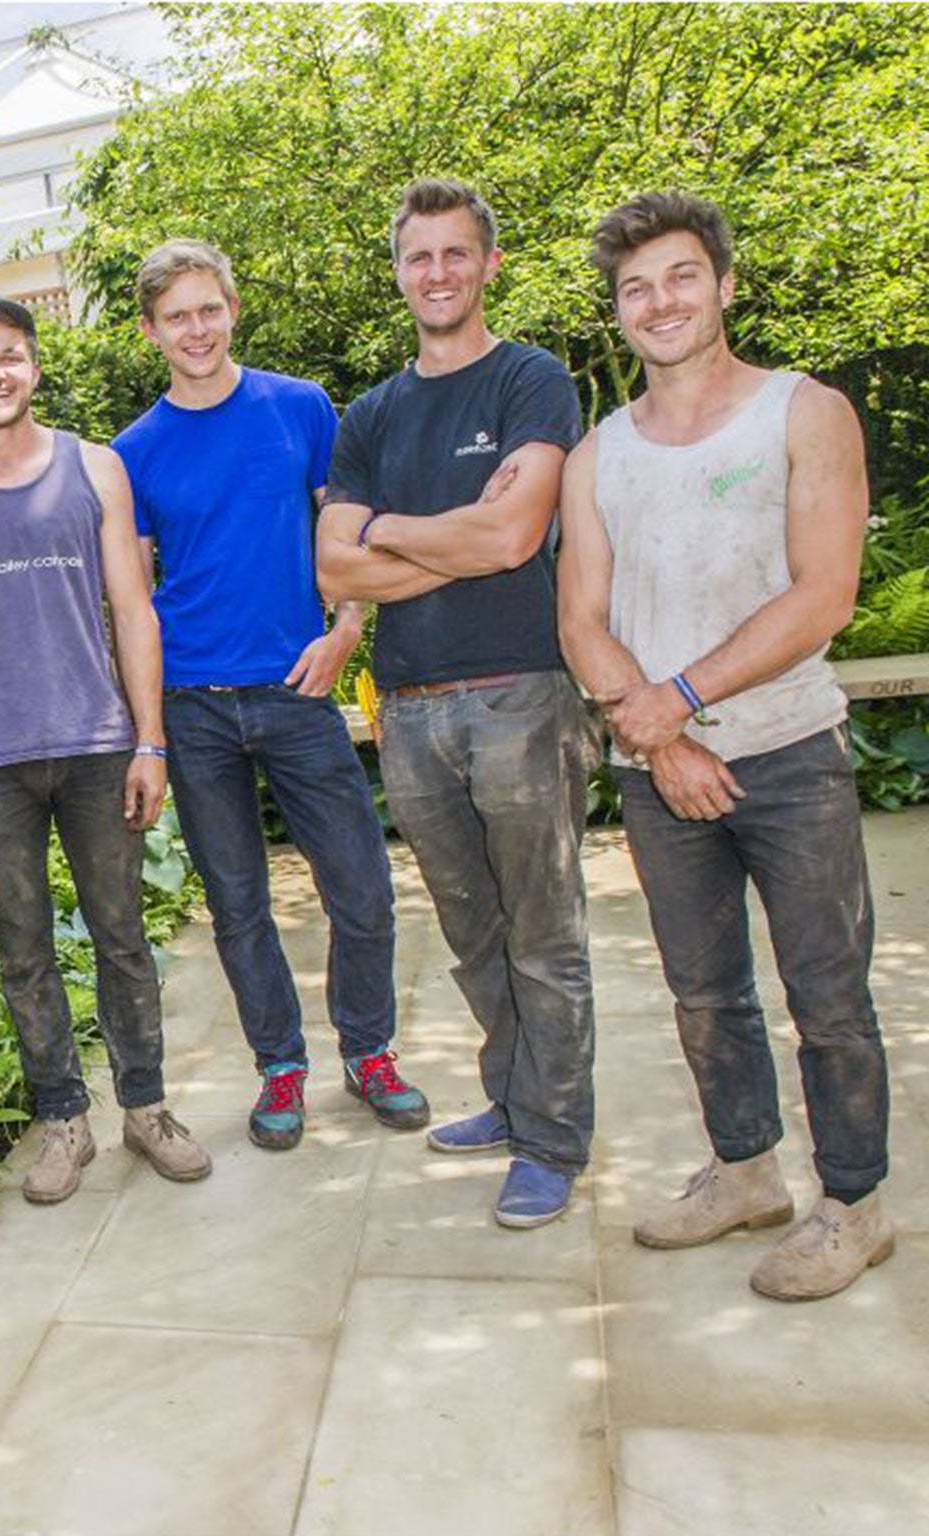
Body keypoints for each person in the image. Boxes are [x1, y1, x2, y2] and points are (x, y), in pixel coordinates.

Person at [557, 192, 893, 1300]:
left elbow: (824, 595)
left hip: (788, 753)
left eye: (678, 277)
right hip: (661, 775)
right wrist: (658, 742)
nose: (658, 302)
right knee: (703, 994)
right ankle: (745, 1171)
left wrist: (679, 699)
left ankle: (852, 1205)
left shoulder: (803, 413)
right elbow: (579, 619)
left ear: (723, 285)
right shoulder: (596, 453)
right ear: (616, 310)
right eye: (634, 287)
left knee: (826, 992)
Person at [317, 179, 598, 1229]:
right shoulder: (370, 414)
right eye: (415, 257)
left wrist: (388, 529)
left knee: (543, 933)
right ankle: (512, 1098)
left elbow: (511, 539)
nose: (433, 273)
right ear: (397, 274)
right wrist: (447, 535)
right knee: (472, 931)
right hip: (409, 708)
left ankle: (553, 1141)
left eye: (452, 254)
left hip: (518, 693)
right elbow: (334, 570)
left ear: (486, 264)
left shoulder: (530, 382)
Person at [0, 292, 212, 1204]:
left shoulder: (95, 469)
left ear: (34, 366)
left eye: (10, 357)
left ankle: (146, 1110)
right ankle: (64, 1121)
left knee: (122, 938)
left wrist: (150, 741)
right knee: (23, 949)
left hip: (99, 744)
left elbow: (133, 609)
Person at [113, 239, 429, 1151]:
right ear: (151, 332)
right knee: (238, 903)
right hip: (195, 704)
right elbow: (134, 601)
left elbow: (349, 538)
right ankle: (280, 1068)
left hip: (297, 691)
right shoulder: (134, 451)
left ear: (233, 309)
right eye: (177, 316)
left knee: (362, 887)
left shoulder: (299, 407)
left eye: (209, 308)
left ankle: (369, 1052)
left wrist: (345, 632)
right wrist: (148, 732)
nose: (196, 328)